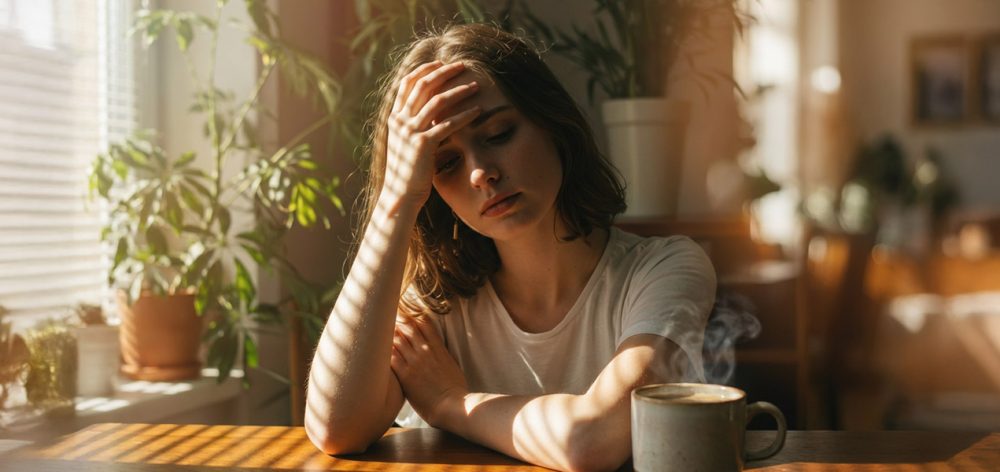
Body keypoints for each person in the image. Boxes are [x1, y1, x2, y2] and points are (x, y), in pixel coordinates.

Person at [304, 23, 716, 472]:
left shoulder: (664, 270)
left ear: (552, 122)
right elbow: (335, 428)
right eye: (446, 162)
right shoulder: (435, 303)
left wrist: (450, 402)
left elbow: (590, 441)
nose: (480, 173)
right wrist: (397, 198)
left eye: (498, 133)